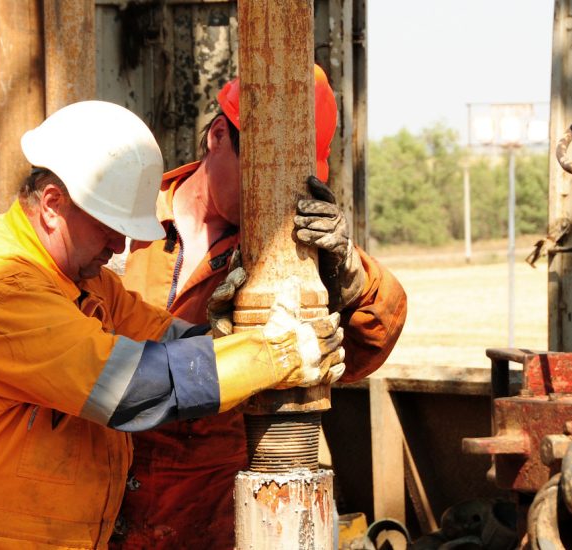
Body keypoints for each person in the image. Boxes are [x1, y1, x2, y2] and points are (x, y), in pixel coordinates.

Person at [0, 100, 348, 549]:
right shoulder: (1, 285)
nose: (121, 242)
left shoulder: (83, 282)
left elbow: (164, 339)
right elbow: (127, 386)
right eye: (109, 224)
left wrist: (227, 335)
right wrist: (279, 355)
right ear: (51, 204)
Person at [115, 66, 409, 549]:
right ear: (217, 137)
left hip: (207, 515)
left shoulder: (280, 249)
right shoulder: (121, 222)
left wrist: (350, 271)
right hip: (103, 498)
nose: (268, 194)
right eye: (262, 171)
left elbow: (373, 338)